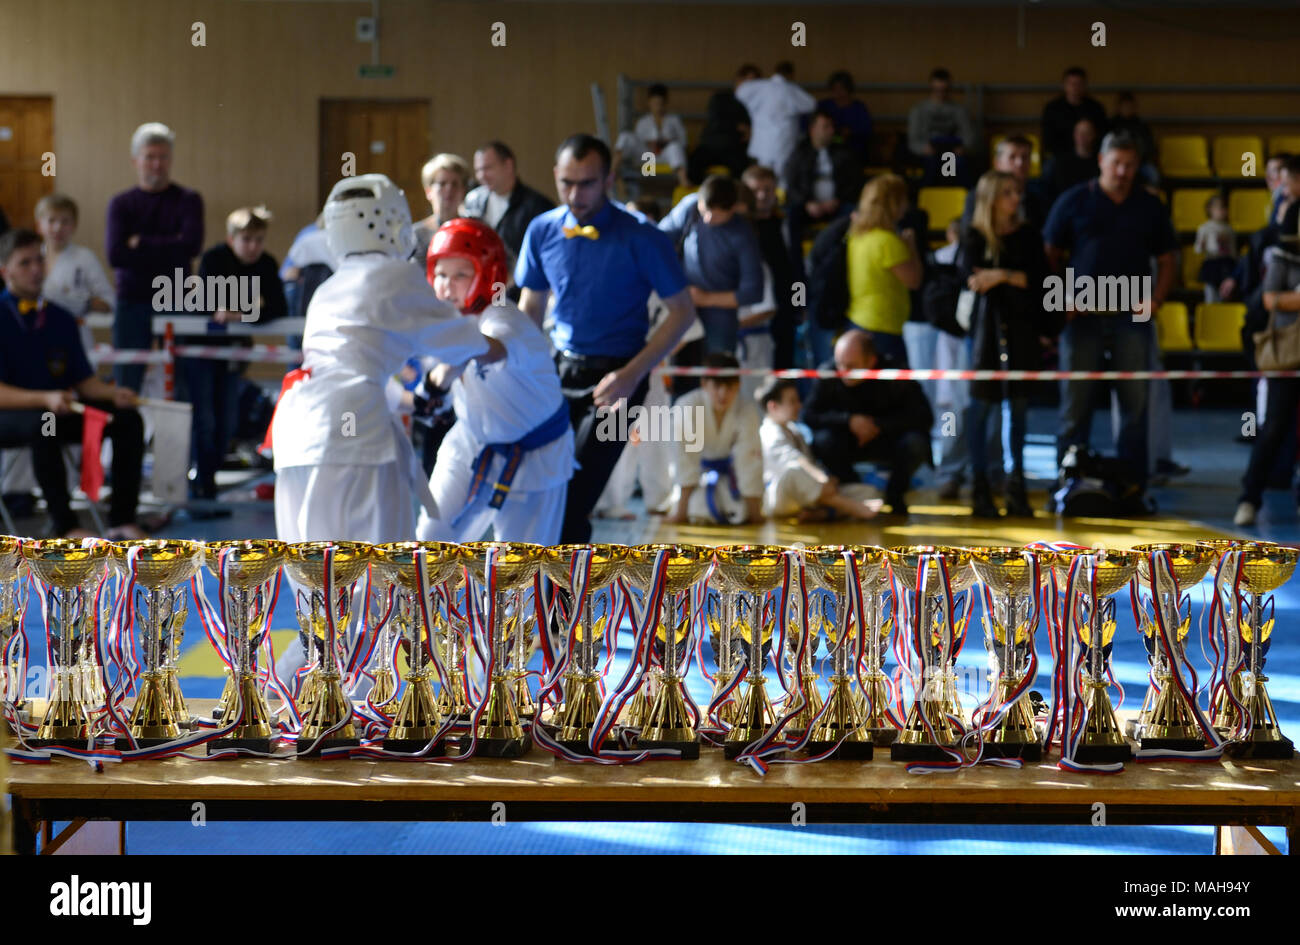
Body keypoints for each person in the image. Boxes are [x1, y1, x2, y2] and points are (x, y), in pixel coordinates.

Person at [271, 174, 508, 544]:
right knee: (376, 570)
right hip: (354, 438)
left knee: (315, 575)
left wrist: (413, 400)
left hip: (297, 433)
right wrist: (502, 345)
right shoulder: (395, 274)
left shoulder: (329, 287)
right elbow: (458, 339)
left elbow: (353, 369)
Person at [516, 134, 696, 544]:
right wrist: (526, 371)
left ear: (609, 179)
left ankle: (561, 605)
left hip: (619, 378)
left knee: (574, 496)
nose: (576, 194)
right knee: (545, 494)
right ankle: (549, 602)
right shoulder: (543, 229)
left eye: (587, 183)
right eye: (567, 183)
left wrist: (633, 374)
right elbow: (531, 308)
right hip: (558, 370)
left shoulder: (643, 237)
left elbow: (683, 313)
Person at [416, 219, 572, 544]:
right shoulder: (447, 321)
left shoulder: (504, 318)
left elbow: (493, 349)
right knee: (430, 541)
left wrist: (442, 373)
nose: (448, 285)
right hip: (473, 438)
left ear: (487, 275)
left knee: (517, 574)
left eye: (461, 274)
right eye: (442, 274)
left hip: (536, 453)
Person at [1043, 131, 1177, 505]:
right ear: (1101, 161)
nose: (1123, 171)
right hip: (1080, 317)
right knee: (1075, 406)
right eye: (1116, 163)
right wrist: (1059, 296)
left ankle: (1132, 487)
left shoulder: (1149, 205)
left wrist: (1157, 299)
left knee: (1135, 405)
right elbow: (1049, 252)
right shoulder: (1073, 200)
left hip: (1130, 317)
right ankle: (1066, 485)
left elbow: (1168, 259)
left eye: (1130, 165)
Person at [0, 229, 146, 539]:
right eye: (25, 263)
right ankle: (64, 524)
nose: (36, 269)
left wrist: (112, 393)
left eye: (39, 260)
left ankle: (121, 518)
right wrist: (45, 398)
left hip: (58, 408)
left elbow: (84, 383)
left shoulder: (62, 319)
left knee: (127, 420)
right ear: (5, 271)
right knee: (46, 423)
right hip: (18, 415)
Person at [959, 171, 1049, 519]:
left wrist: (999, 275)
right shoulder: (974, 236)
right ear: (992, 197)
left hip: (1022, 331)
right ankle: (980, 487)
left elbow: (1039, 281)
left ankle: (1016, 488)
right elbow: (971, 279)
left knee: (1018, 413)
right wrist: (1013, 277)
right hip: (984, 333)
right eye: (1007, 192)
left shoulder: (1028, 235)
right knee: (980, 413)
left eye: (1017, 191)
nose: (1015, 198)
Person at [184, 207, 288, 502]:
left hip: (232, 355)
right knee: (204, 418)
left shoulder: (266, 263)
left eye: (259, 239)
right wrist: (230, 312)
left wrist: (239, 315)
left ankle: (209, 479)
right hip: (200, 353)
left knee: (227, 419)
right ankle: (202, 484)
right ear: (232, 239)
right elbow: (203, 304)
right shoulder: (214, 259)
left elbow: (277, 308)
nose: (253, 246)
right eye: (246, 239)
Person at [105, 122, 204, 392]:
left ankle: (183, 436)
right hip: (132, 301)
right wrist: (171, 246)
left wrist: (141, 243)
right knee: (127, 380)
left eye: (162, 157)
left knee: (184, 379)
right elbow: (116, 255)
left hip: (176, 296)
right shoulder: (121, 204)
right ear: (136, 160)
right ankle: (128, 434)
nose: (156, 164)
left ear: (170, 159)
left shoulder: (188, 200)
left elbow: (192, 246)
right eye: (150, 157)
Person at [803, 330, 933, 516]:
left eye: (851, 366)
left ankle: (895, 494)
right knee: (823, 441)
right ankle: (856, 492)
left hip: (888, 441)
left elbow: (923, 416)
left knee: (916, 443)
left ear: (871, 362)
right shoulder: (829, 373)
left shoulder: (894, 373)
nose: (843, 372)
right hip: (847, 441)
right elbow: (808, 414)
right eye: (840, 364)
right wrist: (849, 421)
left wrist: (878, 425)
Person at [658, 174, 764, 356]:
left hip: (719, 314)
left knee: (718, 368)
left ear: (733, 209)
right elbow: (658, 240)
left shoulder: (743, 235)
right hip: (680, 303)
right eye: (705, 210)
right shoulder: (690, 207)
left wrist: (705, 298)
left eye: (716, 215)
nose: (707, 219)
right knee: (672, 365)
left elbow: (752, 292)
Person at [1234, 250, 1300, 526]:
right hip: (1286, 354)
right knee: (1271, 427)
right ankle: (1249, 498)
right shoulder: (1283, 258)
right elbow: (1268, 298)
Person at [758, 378, 882, 521]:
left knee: (869, 493)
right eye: (792, 401)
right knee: (793, 472)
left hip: (810, 494)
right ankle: (849, 507)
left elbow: (811, 462)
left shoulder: (794, 430)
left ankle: (820, 514)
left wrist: (828, 479)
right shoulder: (769, 433)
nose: (799, 405)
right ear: (773, 406)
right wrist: (821, 478)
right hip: (781, 498)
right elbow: (798, 461)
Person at [666, 352, 762, 525]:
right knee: (697, 508)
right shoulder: (687, 406)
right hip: (697, 479)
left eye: (730, 386)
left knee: (741, 510)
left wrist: (755, 514)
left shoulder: (746, 409)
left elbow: (748, 458)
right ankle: (684, 505)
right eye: (717, 386)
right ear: (704, 383)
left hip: (730, 476)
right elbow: (684, 459)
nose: (723, 393)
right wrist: (681, 512)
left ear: (738, 385)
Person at [845, 174, 922, 365]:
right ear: (893, 203)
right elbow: (914, 280)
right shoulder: (888, 242)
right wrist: (911, 246)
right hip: (882, 328)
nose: (906, 205)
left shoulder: (858, 236)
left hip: (858, 320)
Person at [784, 108, 861, 275]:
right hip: (808, 207)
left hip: (837, 206)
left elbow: (854, 183)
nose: (831, 131)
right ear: (813, 130)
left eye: (832, 127)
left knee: (855, 214)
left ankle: (843, 267)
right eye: (825, 127)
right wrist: (807, 203)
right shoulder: (799, 153)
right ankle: (797, 271)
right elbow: (792, 186)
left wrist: (837, 201)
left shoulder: (844, 152)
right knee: (790, 216)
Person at [461, 142, 555, 271]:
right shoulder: (473, 200)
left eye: (487, 168)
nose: (482, 176)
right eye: (478, 170)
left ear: (508, 165)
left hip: (521, 286)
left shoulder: (538, 206)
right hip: (483, 284)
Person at [740, 166, 798, 368]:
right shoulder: (740, 227)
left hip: (784, 308)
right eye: (756, 190)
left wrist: (798, 305)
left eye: (768, 189)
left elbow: (796, 269)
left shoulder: (785, 224)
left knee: (784, 366)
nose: (762, 195)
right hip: (752, 313)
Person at [735, 62, 817, 189]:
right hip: (783, 142)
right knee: (781, 180)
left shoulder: (761, 86)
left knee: (759, 177)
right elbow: (811, 104)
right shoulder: (790, 89)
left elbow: (740, 92)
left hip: (762, 143)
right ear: (791, 75)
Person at [961, 135, 1048, 234]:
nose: (1020, 163)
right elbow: (969, 235)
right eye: (1012, 157)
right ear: (997, 163)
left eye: (1025, 157)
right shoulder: (978, 195)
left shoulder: (1040, 194)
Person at [689, 64, 758, 183]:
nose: (750, 87)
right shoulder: (721, 97)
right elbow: (715, 119)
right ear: (738, 79)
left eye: (754, 83)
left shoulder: (753, 104)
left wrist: (750, 131)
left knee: (744, 171)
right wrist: (738, 126)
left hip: (734, 149)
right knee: (693, 164)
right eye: (748, 81)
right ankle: (699, 198)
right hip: (711, 145)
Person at [906, 68, 976, 185]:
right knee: (930, 164)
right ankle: (927, 196)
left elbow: (969, 135)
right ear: (931, 88)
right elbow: (913, 139)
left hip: (951, 154)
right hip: (928, 154)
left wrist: (963, 148)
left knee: (956, 164)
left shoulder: (959, 111)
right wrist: (923, 148)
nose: (940, 93)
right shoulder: (918, 110)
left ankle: (954, 197)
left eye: (944, 90)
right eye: (937, 90)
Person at [614, 84, 690, 188]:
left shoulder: (674, 120)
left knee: (675, 147)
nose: (658, 106)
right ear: (649, 102)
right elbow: (637, 143)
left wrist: (668, 142)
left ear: (666, 103)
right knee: (625, 136)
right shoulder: (643, 122)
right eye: (655, 103)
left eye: (661, 103)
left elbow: (684, 143)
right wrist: (650, 143)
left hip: (666, 157)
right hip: (647, 158)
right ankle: (613, 173)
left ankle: (683, 181)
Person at [1040, 67, 1108, 168]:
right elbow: (1048, 139)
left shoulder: (1095, 108)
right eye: (1071, 84)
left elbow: (1103, 136)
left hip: (1090, 156)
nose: (1075, 87)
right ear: (1064, 85)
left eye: (1079, 84)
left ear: (1085, 86)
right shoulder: (1053, 109)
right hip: (1060, 156)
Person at [412, 153, 472, 260]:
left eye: (455, 184)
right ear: (428, 192)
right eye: (442, 183)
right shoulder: (415, 235)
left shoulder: (475, 230)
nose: (449, 189)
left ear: (463, 191)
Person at [817, 70, 873, 168]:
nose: (838, 93)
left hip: (854, 152)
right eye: (834, 89)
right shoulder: (823, 106)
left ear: (849, 90)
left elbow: (867, 129)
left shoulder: (859, 108)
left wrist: (851, 132)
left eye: (841, 89)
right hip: (828, 152)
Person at [1046, 117, 1100, 204]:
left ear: (1094, 135)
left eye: (1086, 133)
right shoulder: (1061, 162)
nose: (1082, 136)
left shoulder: (1101, 162)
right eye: (1079, 132)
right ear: (1074, 134)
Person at [1109, 92, 1158, 186]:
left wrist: (1137, 159)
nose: (1127, 109)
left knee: (1153, 175)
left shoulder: (1142, 126)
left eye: (1130, 106)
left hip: (1140, 162)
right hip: (1117, 163)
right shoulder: (1111, 125)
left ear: (1134, 107)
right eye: (1125, 106)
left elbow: (1149, 146)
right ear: (1119, 107)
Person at [1195, 194, 1237, 303]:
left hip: (1226, 264)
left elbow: (1232, 250)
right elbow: (1198, 249)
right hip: (1211, 263)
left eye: (1224, 208)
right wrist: (1202, 245)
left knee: (1226, 293)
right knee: (1210, 293)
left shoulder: (1229, 229)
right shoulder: (1204, 228)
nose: (1222, 211)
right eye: (1219, 208)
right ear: (1210, 210)